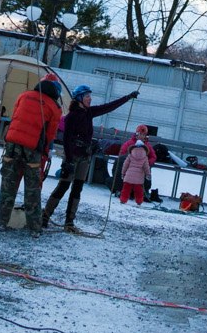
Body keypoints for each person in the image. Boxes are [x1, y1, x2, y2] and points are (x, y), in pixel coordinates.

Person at [41, 84, 136, 232]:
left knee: (77, 189)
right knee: (63, 186)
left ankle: (69, 222)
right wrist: (68, 161)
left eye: (90, 96)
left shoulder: (89, 113)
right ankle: (45, 216)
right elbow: (66, 139)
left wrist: (128, 97)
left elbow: (108, 107)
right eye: (87, 96)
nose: (90, 99)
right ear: (79, 98)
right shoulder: (72, 116)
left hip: (85, 157)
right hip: (72, 156)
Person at [0, 74, 64, 234]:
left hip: (12, 144)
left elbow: (16, 117)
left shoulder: (24, 95)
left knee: (8, 185)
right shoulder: (54, 107)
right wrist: (45, 152)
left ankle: (1, 222)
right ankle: (34, 228)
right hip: (32, 149)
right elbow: (50, 134)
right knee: (32, 188)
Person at [118, 124, 156, 206]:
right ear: (136, 134)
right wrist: (146, 163)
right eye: (140, 134)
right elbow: (122, 153)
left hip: (129, 172)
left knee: (127, 187)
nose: (141, 136)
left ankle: (123, 198)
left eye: (143, 135)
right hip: (139, 174)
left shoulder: (132, 145)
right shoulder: (143, 146)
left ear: (146, 136)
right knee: (138, 188)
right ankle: (139, 200)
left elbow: (153, 157)